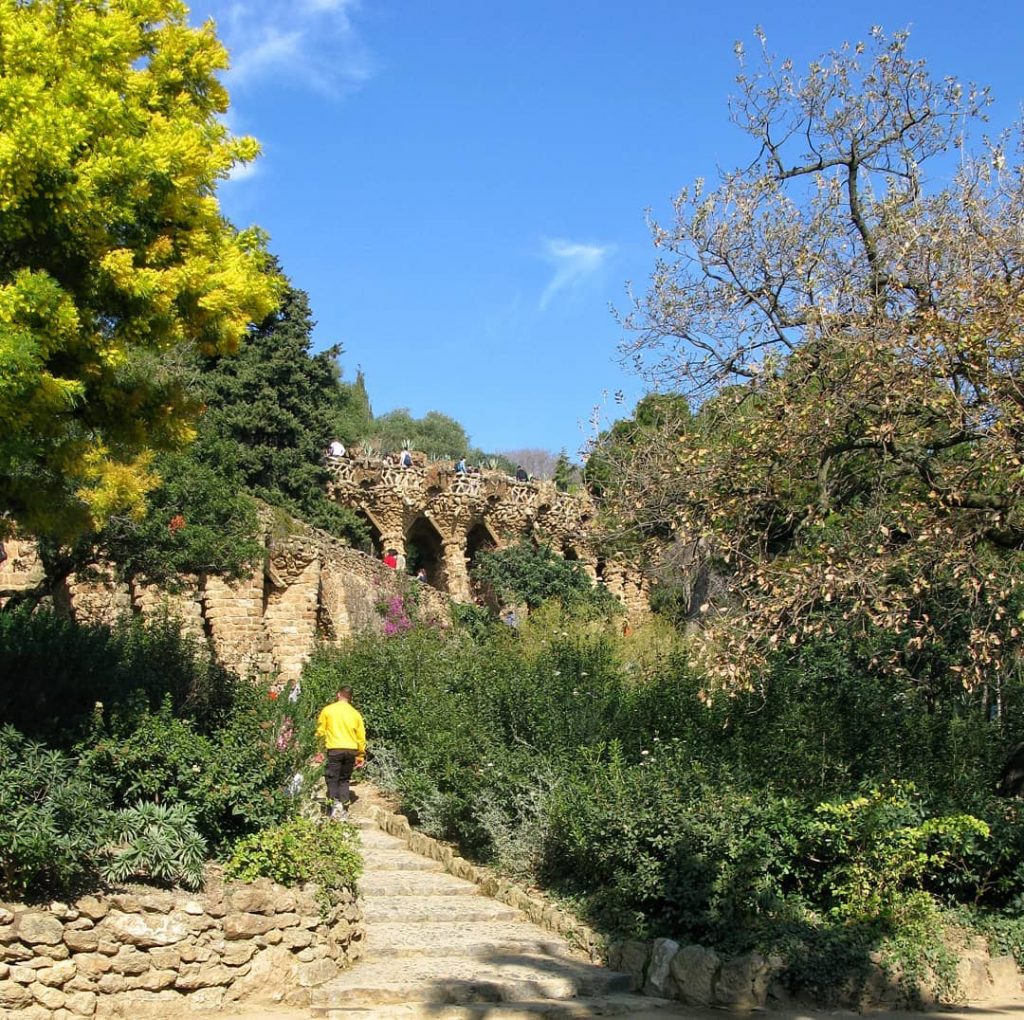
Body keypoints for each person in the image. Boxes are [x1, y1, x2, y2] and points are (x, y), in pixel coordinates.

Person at [315, 687, 366, 821]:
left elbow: (320, 732)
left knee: (332, 778)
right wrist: (360, 755)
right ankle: (343, 809)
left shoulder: (328, 710)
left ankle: (334, 807)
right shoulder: (355, 714)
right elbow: (361, 736)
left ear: (338, 695)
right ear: (350, 698)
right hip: (351, 750)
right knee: (344, 780)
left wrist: (318, 750)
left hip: (334, 749)